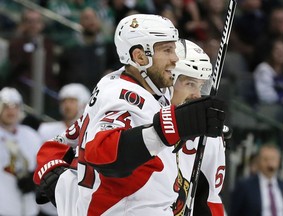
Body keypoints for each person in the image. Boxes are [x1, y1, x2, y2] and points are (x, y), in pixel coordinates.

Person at [33, 14, 226, 215]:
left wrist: (56, 178)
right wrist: (167, 129)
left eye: (201, 85)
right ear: (140, 57)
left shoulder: (136, 89)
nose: (174, 59)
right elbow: (101, 153)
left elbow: (65, 141)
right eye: (167, 50)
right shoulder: (124, 96)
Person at [171, 39, 226, 216]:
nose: (197, 95)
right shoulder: (140, 113)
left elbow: (211, 200)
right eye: (190, 84)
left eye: (201, 86)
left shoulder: (208, 137)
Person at [37, 83, 90, 216]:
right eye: (64, 101)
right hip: (49, 206)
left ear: (83, 103)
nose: (67, 105)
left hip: (79, 203)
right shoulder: (45, 129)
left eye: (72, 101)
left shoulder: (92, 131)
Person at [0, 87, 41, 215]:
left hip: (29, 209)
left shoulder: (31, 134)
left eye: (15, 106)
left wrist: (34, 180)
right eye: (6, 106)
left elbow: (41, 164)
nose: (11, 111)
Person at [229, 143, 283, 216]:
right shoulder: (245, 186)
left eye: (273, 159)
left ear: (279, 161)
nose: (270, 164)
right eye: (266, 159)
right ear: (258, 161)